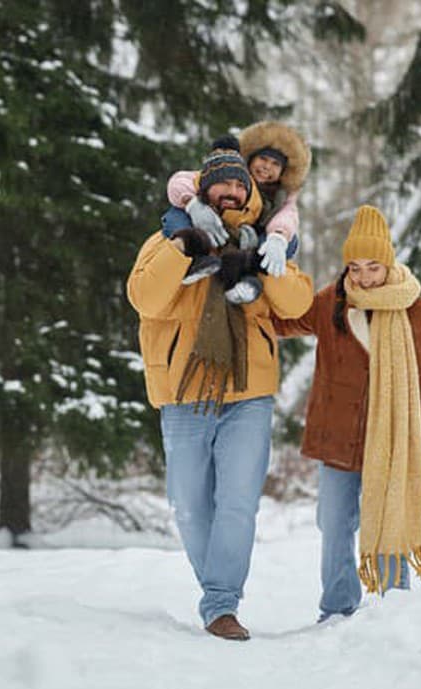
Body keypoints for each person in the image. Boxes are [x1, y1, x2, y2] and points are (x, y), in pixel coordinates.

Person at [126, 144, 314, 641]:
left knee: (237, 501)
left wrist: (259, 263)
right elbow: (145, 299)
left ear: (249, 191)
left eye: (239, 185)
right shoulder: (168, 236)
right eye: (222, 184)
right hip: (183, 390)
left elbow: (296, 303)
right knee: (189, 504)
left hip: (248, 392)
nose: (231, 191)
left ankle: (221, 605)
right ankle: (218, 594)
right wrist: (183, 247)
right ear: (205, 189)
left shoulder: (266, 237)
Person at [272, 205, 421, 623]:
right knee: (334, 527)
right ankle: (337, 608)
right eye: (354, 267)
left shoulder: (416, 313)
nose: (362, 277)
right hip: (336, 439)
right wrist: (261, 282)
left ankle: (393, 609)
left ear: (389, 263)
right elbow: (282, 320)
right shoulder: (331, 302)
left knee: (391, 521)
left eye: (372, 267)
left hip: (391, 441)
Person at [165, 120, 311, 284]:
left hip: (249, 239)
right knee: (176, 213)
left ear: (283, 171)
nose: (267, 167)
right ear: (250, 158)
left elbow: (287, 216)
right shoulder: (230, 170)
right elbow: (181, 181)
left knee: (289, 239)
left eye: (275, 164)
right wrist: (192, 204)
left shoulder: (281, 196)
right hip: (214, 223)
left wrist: (278, 237)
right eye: (263, 158)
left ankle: (250, 276)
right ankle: (190, 253)